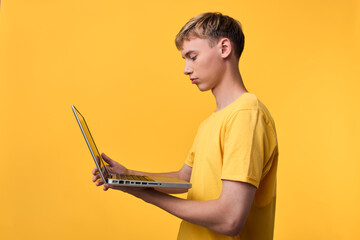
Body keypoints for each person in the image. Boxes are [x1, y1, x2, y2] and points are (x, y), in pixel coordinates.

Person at [92, 12, 279, 240]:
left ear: (224, 48)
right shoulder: (211, 122)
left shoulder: (247, 114)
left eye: (192, 56)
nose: (186, 69)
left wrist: (145, 194)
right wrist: (128, 176)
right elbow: (185, 179)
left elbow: (230, 218)